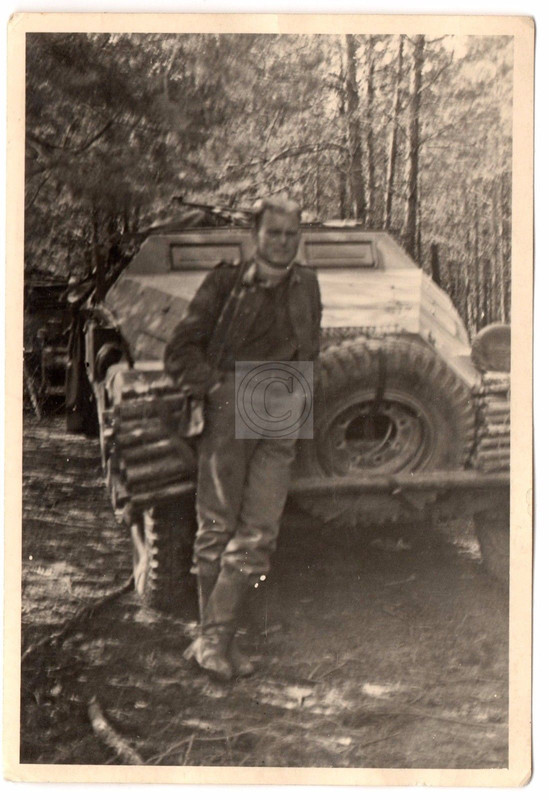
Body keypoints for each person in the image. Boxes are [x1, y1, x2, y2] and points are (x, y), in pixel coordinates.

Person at [164, 195, 322, 680]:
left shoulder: (307, 284)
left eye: (291, 234)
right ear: (255, 235)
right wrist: (214, 388)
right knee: (217, 526)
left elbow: (311, 342)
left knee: (259, 531)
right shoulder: (226, 281)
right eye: (273, 233)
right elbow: (181, 350)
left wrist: (299, 396)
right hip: (232, 398)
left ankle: (215, 641)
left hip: (281, 399)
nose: (282, 242)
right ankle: (215, 642)